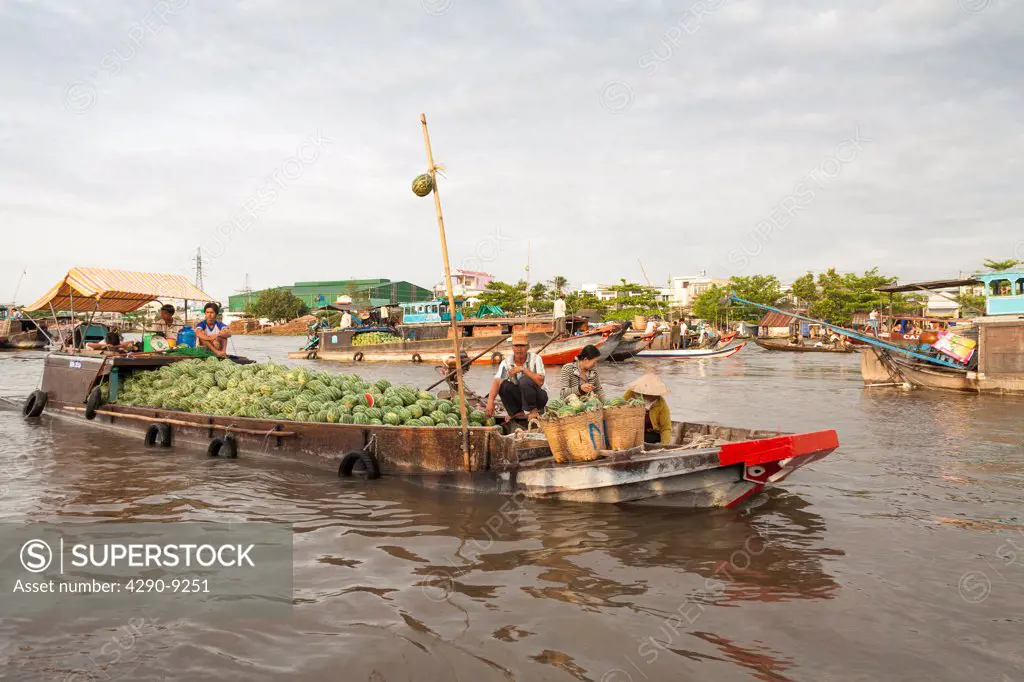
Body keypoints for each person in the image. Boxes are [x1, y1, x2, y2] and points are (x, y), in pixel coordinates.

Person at [486, 330, 547, 421]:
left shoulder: (536, 359)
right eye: (516, 346)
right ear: (512, 348)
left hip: (538, 398)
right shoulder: (506, 363)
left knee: (524, 380)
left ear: (528, 347)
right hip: (521, 399)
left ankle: (533, 411)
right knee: (503, 385)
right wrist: (490, 402)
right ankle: (516, 412)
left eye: (522, 346)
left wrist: (523, 369)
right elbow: (497, 381)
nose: (519, 349)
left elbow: (540, 382)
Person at [623, 373, 672, 445]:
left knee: (646, 439)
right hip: (631, 430)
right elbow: (620, 410)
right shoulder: (630, 395)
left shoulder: (661, 403)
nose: (653, 396)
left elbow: (666, 427)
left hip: (649, 434)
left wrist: (664, 445)